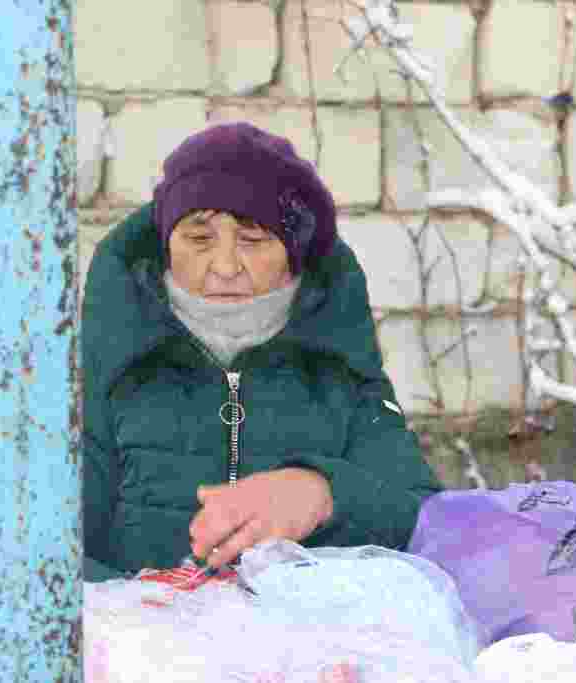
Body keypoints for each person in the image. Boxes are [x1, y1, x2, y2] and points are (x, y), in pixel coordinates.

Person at [82, 122, 442, 581]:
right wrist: (128, 603)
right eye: (199, 239)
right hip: (138, 648)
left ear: (294, 252)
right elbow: (36, 547)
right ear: (166, 246)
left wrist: (323, 493)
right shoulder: (111, 370)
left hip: (302, 649)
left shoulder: (340, 373)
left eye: (253, 240)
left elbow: (430, 523)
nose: (226, 267)